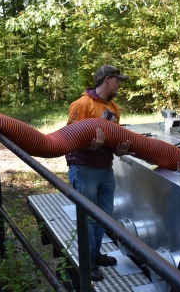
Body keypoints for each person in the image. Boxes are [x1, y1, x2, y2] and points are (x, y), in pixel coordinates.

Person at [66, 65, 135, 281]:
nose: (119, 85)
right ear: (107, 79)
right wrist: (90, 147)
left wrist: (118, 149)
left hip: (106, 169)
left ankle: (95, 256)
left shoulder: (114, 107)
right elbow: (69, 138)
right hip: (84, 169)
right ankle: (87, 263)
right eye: (118, 81)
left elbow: (113, 141)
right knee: (87, 218)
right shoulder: (82, 105)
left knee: (103, 217)